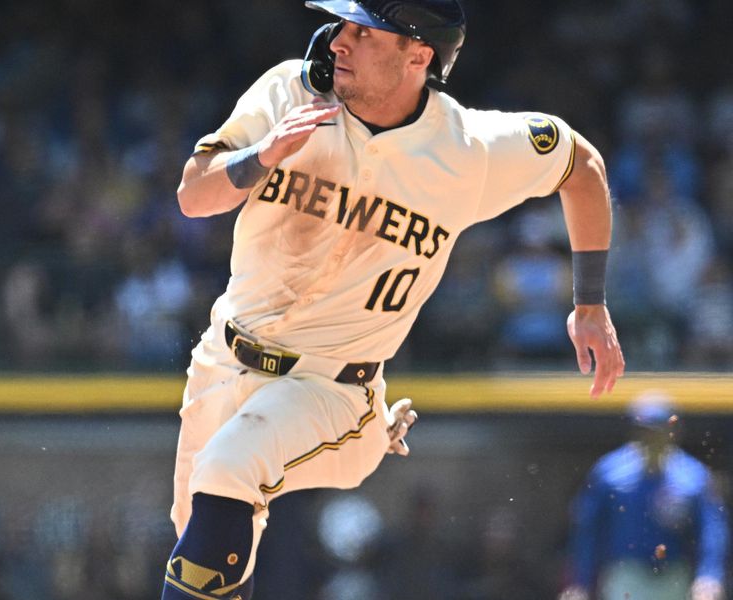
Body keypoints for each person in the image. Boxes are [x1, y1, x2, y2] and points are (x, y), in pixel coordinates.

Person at [161, 1, 625, 598]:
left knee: (228, 471)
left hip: (331, 389)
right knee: (205, 544)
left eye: (361, 31)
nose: (338, 42)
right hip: (222, 363)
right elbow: (193, 196)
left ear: (418, 54)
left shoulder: (469, 150)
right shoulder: (290, 93)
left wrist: (589, 303)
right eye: (341, 26)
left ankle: (368, 428)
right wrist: (263, 155)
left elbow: (580, 163)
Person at [559, 391, 729, 600]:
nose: (651, 438)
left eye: (658, 431)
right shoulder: (610, 473)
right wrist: (580, 583)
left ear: (673, 431)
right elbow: (587, 530)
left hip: (673, 575)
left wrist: (709, 575)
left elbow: (712, 531)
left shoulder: (693, 477)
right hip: (625, 573)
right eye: (644, 431)